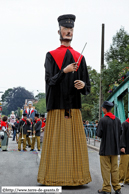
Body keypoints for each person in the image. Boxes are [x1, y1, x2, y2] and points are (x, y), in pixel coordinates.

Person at [37, 14, 91, 186]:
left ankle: (76, 179)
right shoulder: (51, 55)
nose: (68, 31)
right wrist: (64, 71)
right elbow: (49, 82)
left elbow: (87, 88)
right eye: (65, 28)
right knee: (56, 145)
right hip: (56, 107)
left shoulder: (80, 57)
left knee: (74, 146)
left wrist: (83, 85)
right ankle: (53, 177)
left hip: (74, 107)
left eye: (71, 29)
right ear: (59, 31)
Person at [97, 101, 122, 194]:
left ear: (104, 109)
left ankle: (107, 189)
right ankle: (117, 188)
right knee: (115, 169)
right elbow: (120, 132)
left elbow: (99, 134)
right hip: (115, 149)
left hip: (105, 149)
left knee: (106, 169)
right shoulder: (117, 120)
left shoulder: (103, 120)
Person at [119, 117, 129, 186]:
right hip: (126, 148)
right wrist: (122, 146)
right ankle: (120, 180)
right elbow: (121, 136)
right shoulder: (125, 124)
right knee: (123, 165)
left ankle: (127, 180)